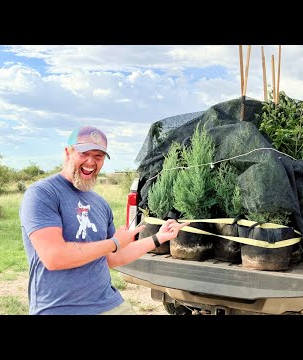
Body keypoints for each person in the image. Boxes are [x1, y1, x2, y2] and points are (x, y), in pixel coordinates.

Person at [19, 125, 189, 315]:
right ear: (68, 152)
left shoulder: (99, 203)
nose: (91, 162)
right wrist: (114, 242)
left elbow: (113, 257)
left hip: (108, 303)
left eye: (98, 156)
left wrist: (159, 238)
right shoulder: (42, 193)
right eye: (84, 153)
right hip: (60, 307)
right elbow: (55, 257)